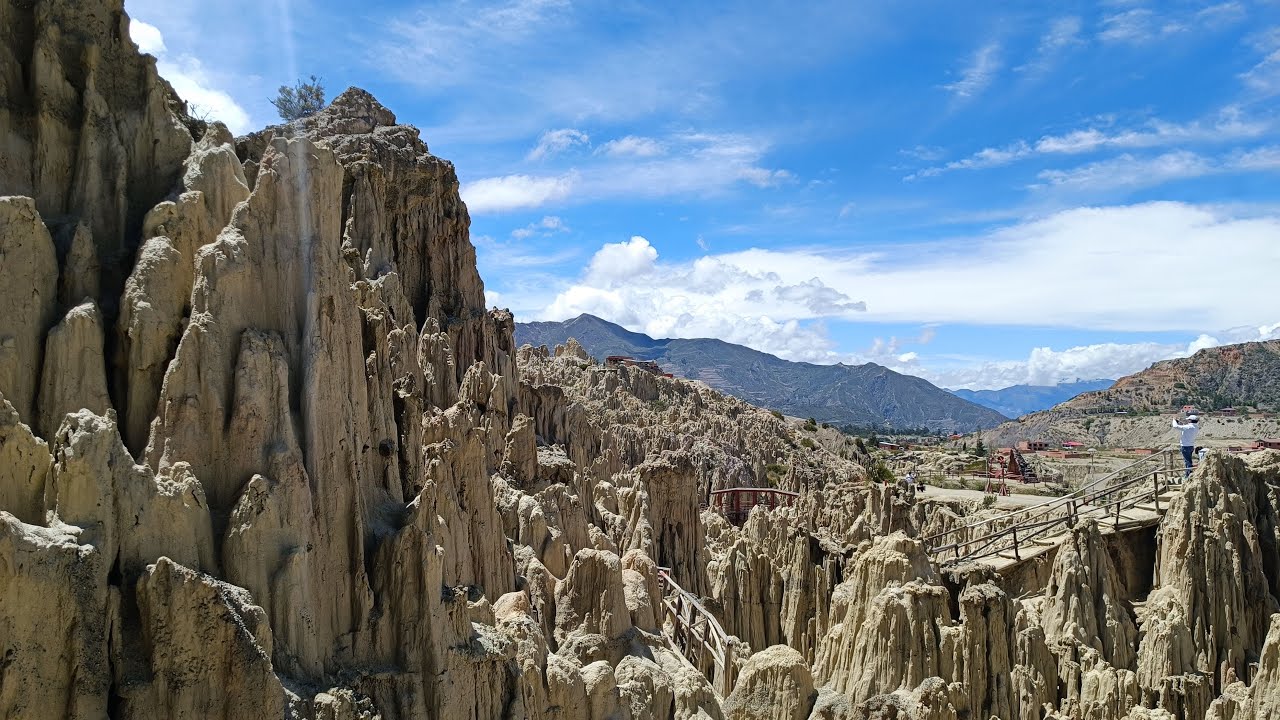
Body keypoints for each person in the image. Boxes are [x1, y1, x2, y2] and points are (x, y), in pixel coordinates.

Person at [1172, 413, 1201, 480]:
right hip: (1190, 446)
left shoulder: (1188, 427)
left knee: (1188, 462)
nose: (1188, 421)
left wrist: (1174, 419)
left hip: (1185, 446)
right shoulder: (1195, 427)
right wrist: (1179, 422)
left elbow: (1175, 426)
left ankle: (1188, 476)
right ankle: (1188, 474)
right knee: (1188, 461)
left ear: (1190, 420)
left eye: (1189, 420)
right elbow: (1185, 426)